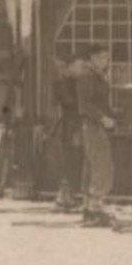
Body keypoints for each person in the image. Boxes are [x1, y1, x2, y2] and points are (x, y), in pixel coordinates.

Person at [77, 43, 118, 224]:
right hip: (93, 126)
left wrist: (113, 114)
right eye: (102, 57)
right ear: (92, 58)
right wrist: (103, 118)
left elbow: (100, 102)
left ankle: (89, 208)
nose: (105, 61)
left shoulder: (98, 76)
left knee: (93, 165)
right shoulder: (87, 76)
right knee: (101, 164)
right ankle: (94, 210)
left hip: (97, 125)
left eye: (107, 58)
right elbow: (84, 105)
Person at [50, 54, 86, 211]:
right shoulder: (63, 83)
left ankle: (68, 195)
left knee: (74, 159)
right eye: (78, 66)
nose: (81, 69)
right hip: (69, 126)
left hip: (74, 125)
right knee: (68, 159)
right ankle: (64, 196)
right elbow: (69, 103)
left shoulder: (74, 82)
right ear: (69, 67)